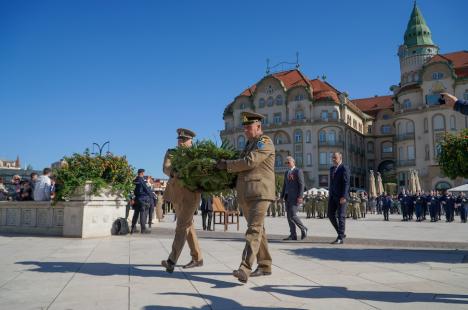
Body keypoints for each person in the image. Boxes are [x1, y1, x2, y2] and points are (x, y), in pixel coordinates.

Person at [216, 111, 275, 283]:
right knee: (259, 231)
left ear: (258, 127)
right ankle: (265, 266)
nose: (246, 131)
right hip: (248, 192)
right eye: (245, 128)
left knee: (254, 230)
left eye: (249, 127)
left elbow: (249, 162)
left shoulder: (265, 142)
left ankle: (245, 268)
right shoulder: (249, 144)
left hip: (260, 192)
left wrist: (226, 165)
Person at [161, 128, 203, 273]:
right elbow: (166, 168)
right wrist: (174, 172)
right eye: (179, 139)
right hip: (175, 193)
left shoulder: (198, 154)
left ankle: (171, 260)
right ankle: (197, 258)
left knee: (181, 225)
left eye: (184, 140)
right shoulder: (171, 152)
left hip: (192, 194)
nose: (181, 142)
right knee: (187, 225)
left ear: (191, 141)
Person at [281, 156, 308, 241]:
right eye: (286, 163)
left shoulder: (298, 171)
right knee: (289, 217)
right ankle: (293, 235)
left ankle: (303, 228)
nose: (287, 164)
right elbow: (284, 185)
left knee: (293, 215)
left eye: (288, 162)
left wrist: (300, 196)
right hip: (287, 196)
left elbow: (301, 184)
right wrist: (281, 196)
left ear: (293, 162)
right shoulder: (286, 172)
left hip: (295, 197)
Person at [327, 152, 350, 245]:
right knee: (330, 214)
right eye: (332, 157)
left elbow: (346, 183)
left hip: (341, 197)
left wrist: (344, 196)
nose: (333, 159)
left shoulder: (344, 168)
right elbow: (332, 183)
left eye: (335, 158)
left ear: (340, 158)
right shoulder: (332, 169)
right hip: (332, 196)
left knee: (341, 216)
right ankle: (341, 233)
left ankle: (340, 238)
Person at [131, 169, 152, 234]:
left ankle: (133, 228)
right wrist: (150, 195)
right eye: (143, 173)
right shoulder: (141, 180)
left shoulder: (135, 180)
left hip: (136, 198)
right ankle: (143, 229)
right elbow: (146, 188)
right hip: (143, 199)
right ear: (142, 173)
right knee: (143, 213)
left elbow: (131, 190)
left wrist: (132, 198)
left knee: (136, 214)